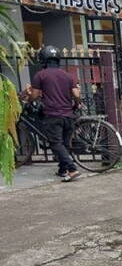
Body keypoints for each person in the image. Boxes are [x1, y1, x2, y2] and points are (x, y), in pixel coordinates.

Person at [30, 45, 82, 182]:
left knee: (56, 144)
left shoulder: (40, 75)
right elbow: (76, 93)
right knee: (63, 144)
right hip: (68, 115)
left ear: (43, 60)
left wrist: (29, 99)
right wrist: (76, 104)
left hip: (53, 115)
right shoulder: (67, 75)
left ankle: (72, 169)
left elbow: (35, 96)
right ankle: (62, 169)